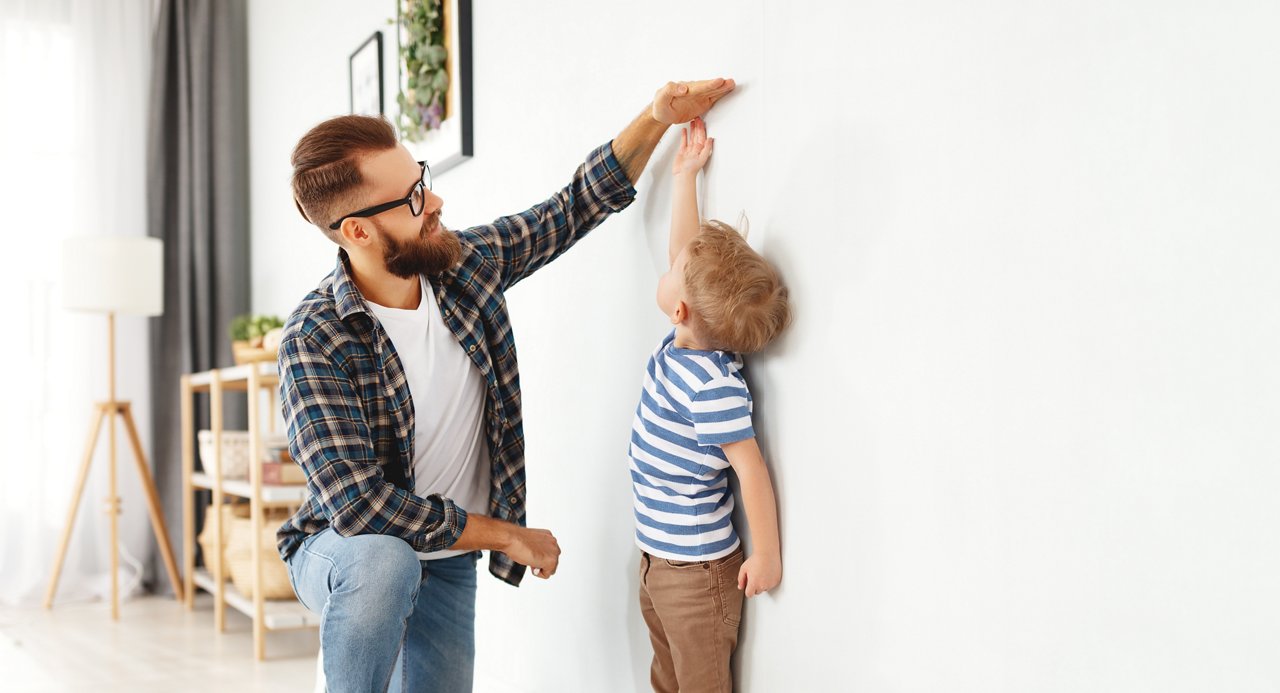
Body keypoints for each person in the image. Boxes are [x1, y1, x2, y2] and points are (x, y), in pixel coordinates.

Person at [274, 78, 735, 693]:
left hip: (446, 559)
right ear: (357, 232)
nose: (433, 202)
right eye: (411, 199)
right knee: (383, 562)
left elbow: (570, 208)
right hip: (344, 550)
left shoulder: (463, 267)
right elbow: (360, 508)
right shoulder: (315, 339)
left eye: (423, 179)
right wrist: (508, 534)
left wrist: (655, 117)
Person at [629, 116, 790, 693]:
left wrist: (766, 553)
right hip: (658, 558)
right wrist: (685, 177)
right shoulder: (686, 338)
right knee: (665, 678)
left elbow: (751, 468)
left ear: (681, 309)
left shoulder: (713, 387)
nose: (669, 263)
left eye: (674, 273)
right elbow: (686, 252)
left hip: (697, 578)